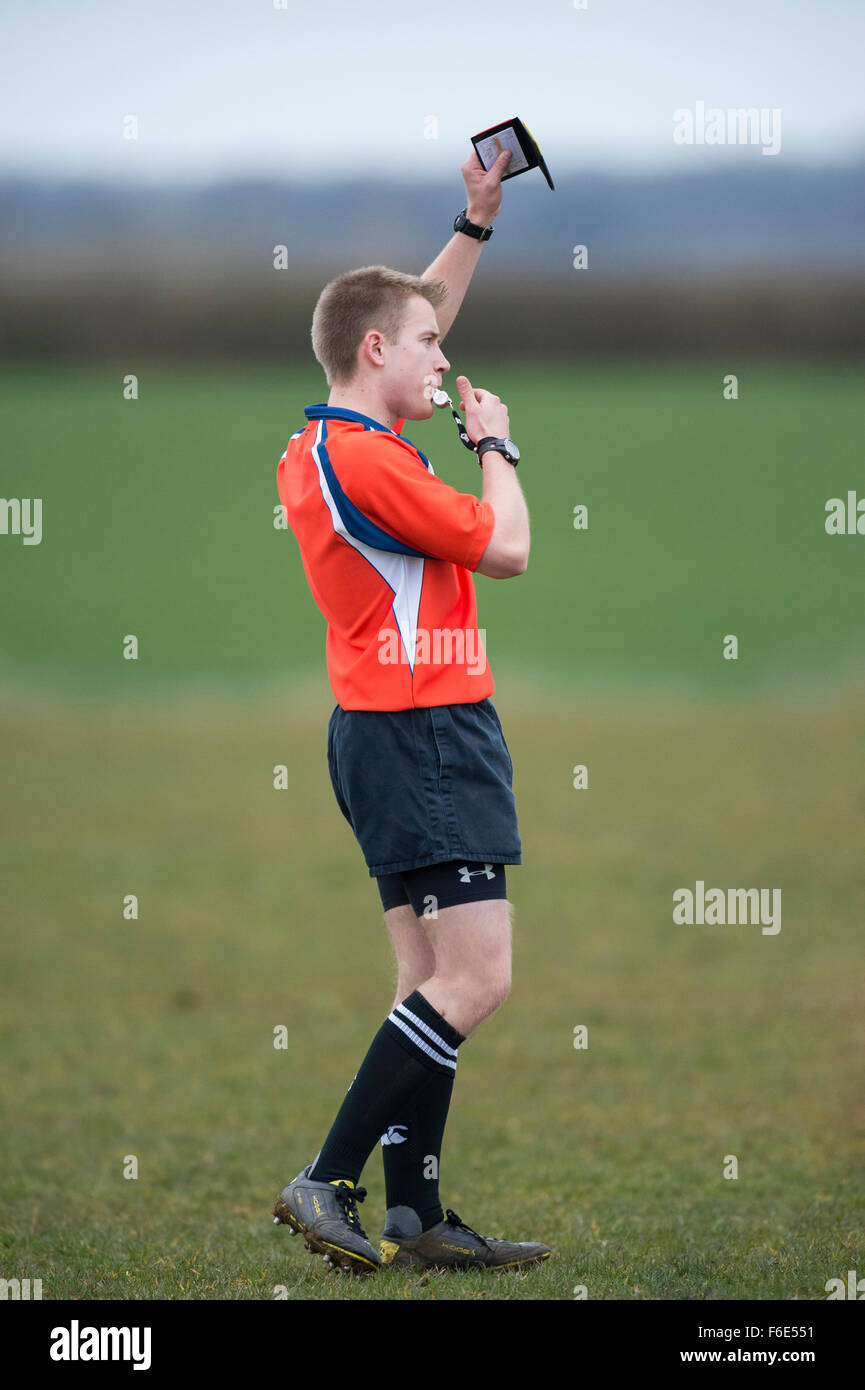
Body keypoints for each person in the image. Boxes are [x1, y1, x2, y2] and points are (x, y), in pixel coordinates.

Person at [272, 149, 550, 1275]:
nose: (445, 350)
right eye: (426, 344)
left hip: (379, 734)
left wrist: (473, 225)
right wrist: (493, 446)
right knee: (476, 979)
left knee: (423, 985)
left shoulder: (326, 441)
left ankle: (413, 1213)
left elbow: (408, 317)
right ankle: (323, 1176)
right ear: (374, 354)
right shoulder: (376, 464)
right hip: (428, 731)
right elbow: (512, 549)